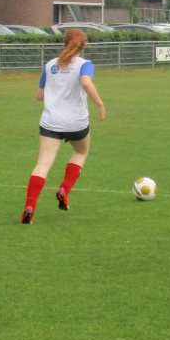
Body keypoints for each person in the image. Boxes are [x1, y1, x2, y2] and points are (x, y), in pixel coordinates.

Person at [22, 28, 106, 223]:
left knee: (43, 164)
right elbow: (85, 83)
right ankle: (64, 189)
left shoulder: (50, 64)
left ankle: (29, 208)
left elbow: (39, 95)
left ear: (64, 43)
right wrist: (100, 105)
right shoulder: (85, 64)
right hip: (76, 122)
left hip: (51, 122)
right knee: (81, 152)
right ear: (83, 47)